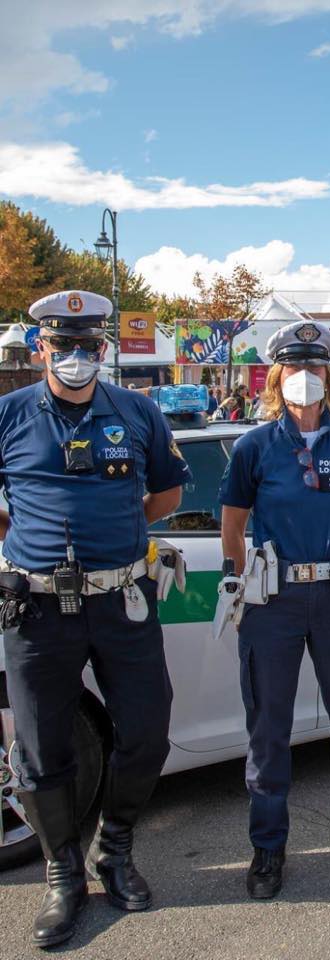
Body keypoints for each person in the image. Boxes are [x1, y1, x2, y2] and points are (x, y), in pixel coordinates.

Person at [0, 290, 191, 948]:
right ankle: (63, 877)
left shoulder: (136, 412)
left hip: (122, 601)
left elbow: (167, 489)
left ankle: (114, 851)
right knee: (41, 749)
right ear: (39, 349)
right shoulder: (9, 415)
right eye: (63, 346)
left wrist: (120, 525)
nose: (76, 358)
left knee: (147, 732)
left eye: (88, 346)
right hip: (36, 609)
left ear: (103, 350)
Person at [218, 320, 330, 900]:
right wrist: (246, 574)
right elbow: (233, 525)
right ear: (276, 377)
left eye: (315, 369)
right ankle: (268, 845)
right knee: (268, 731)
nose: (305, 378)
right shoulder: (254, 448)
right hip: (275, 602)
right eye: (294, 368)